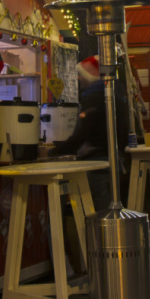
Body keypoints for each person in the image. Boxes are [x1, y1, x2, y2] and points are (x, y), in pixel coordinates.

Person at [49, 55, 129, 210]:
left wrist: (55, 152)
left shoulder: (93, 97)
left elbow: (82, 133)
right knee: (114, 213)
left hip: (98, 167)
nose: (78, 78)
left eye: (81, 74)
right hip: (116, 164)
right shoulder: (115, 94)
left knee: (99, 214)